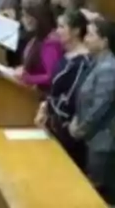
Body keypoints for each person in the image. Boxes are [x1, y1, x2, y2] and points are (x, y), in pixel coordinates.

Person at [70, 17, 115, 200]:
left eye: (91, 35)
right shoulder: (97, 62)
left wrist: (81, 127)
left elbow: (99, 107)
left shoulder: (110, 68)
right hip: (92, 137)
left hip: (102, 142)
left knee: (95, 194)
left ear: (104, 42)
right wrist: (75, 119)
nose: (86, 39)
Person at [36, 9, 91, 168]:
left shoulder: (82, 62)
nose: (57, 31)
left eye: (62, 27)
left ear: (75, 31)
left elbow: (71, 99)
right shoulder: (66, 55)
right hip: (53, 122)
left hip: (67, 132)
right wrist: (44, 106)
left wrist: (48, 110)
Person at [0, 0, 63, 91]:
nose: (23, 19)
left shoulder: (50, 43)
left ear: (35, 19)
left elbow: (51, 76)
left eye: (25, 16)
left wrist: (28, 78)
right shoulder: (35, 37)